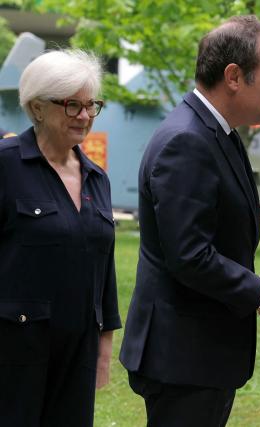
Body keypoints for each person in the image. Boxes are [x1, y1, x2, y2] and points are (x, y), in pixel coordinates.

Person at [119, 15, 260, 427]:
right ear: (234, 76)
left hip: (199, 357)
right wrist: (258, 291)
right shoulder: (187, 140)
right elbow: (190, 255)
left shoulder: (217, 132)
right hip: (183, 360)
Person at [0, 49, 120, 427]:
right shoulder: (6, 164)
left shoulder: (96, 178)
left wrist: (103, 348)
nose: (84, 116)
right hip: (13, 355)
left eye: (91, 105)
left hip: (77, 355)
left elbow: (104, 264)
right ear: (37, 108)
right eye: (71, 105)